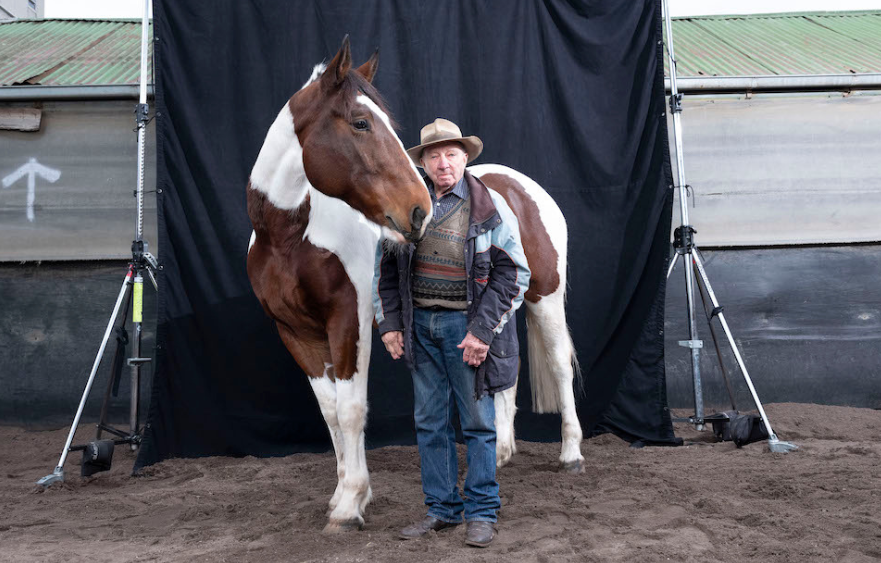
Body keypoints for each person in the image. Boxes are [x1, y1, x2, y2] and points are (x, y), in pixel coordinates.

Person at [372, 118, 530, 548]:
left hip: (467, 328)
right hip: (420, 326)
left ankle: (481, 512)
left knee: (478, 423)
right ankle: (442, 509)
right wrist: (389, 325)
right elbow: (384, 270)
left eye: (452, 154)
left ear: (465, 158)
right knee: (429, 422)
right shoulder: (406, 204)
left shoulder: (488, 205)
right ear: (422, 162)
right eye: (434, 155)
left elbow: (514, 273)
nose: (444, 163)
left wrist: (482, 332)